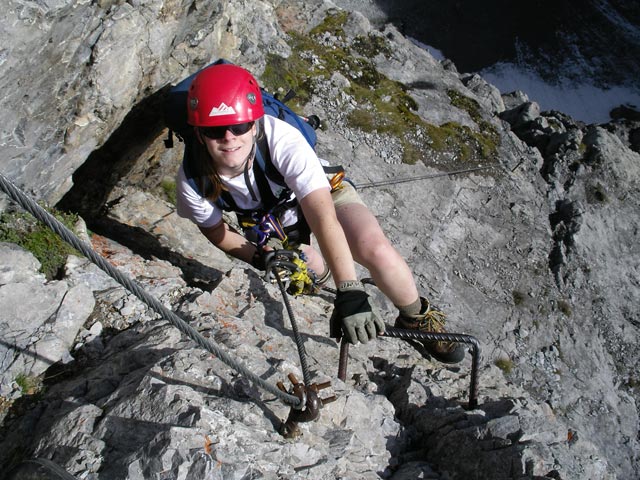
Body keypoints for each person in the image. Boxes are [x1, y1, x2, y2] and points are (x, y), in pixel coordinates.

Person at [175, 63, 464, 364]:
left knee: (373, 247)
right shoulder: (194, 178)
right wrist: (257, 256)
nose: (229, 137)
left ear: (255, 122)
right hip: (270, 221)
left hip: (322, 194)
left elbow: (323, 216)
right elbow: (214, 231)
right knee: (305, 264)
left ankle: (415, 317)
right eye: (214, 130)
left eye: (240, 126)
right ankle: (324, 282)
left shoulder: (280, 140)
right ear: (198, 133)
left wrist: (349, 289)